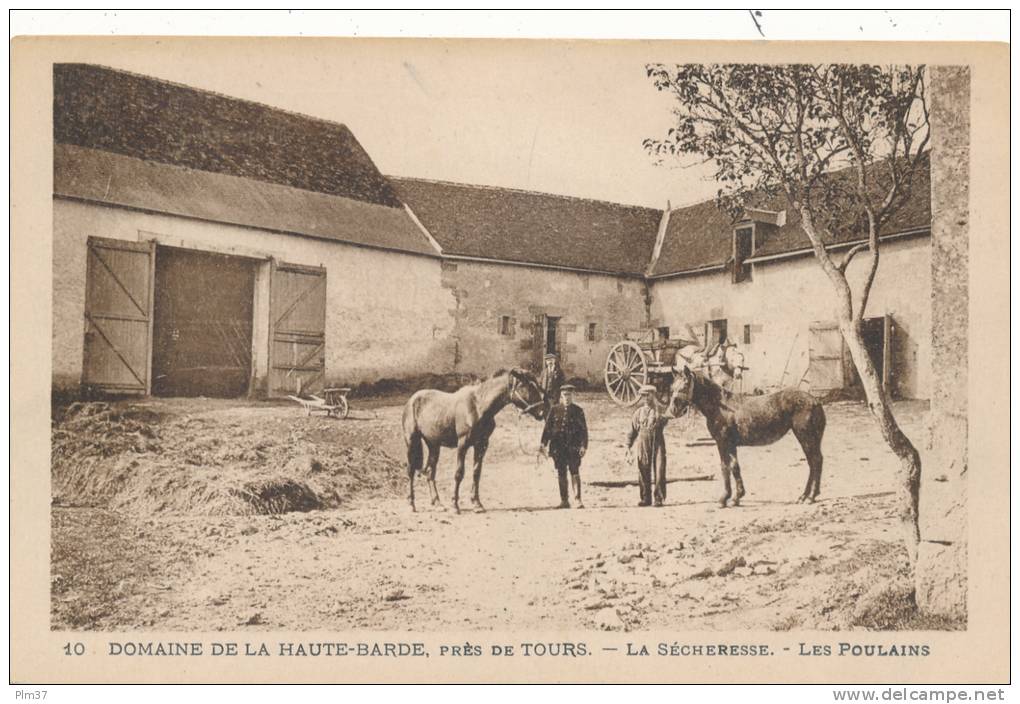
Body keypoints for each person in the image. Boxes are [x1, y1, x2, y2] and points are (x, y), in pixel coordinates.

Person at [539, 384, 588, 509]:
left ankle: (578, 500)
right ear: (561, 396)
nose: (567, 397)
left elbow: (584, 431)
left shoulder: (578, 411)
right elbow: (547, 429)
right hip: (558, 447)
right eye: (565, 395)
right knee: (561, 472)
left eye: (569, 395)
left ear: (573, 396)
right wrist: (543, 444)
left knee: (574, 471)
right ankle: (564, 501)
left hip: (573, 447)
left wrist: (583, 446)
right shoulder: (554, 410)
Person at [626, 384, 669, 507]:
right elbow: (632, 431)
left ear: (653, 395)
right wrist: (628, 447)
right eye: (643, 396)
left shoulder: (660, 411)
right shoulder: (638, 413)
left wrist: (661, 414)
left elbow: (669, 417)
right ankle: (645, 498)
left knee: (659, 469)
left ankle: (658, 498)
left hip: (658, 441)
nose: (646, 398)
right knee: (643, 468)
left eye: (648, 395)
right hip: (642, 442)